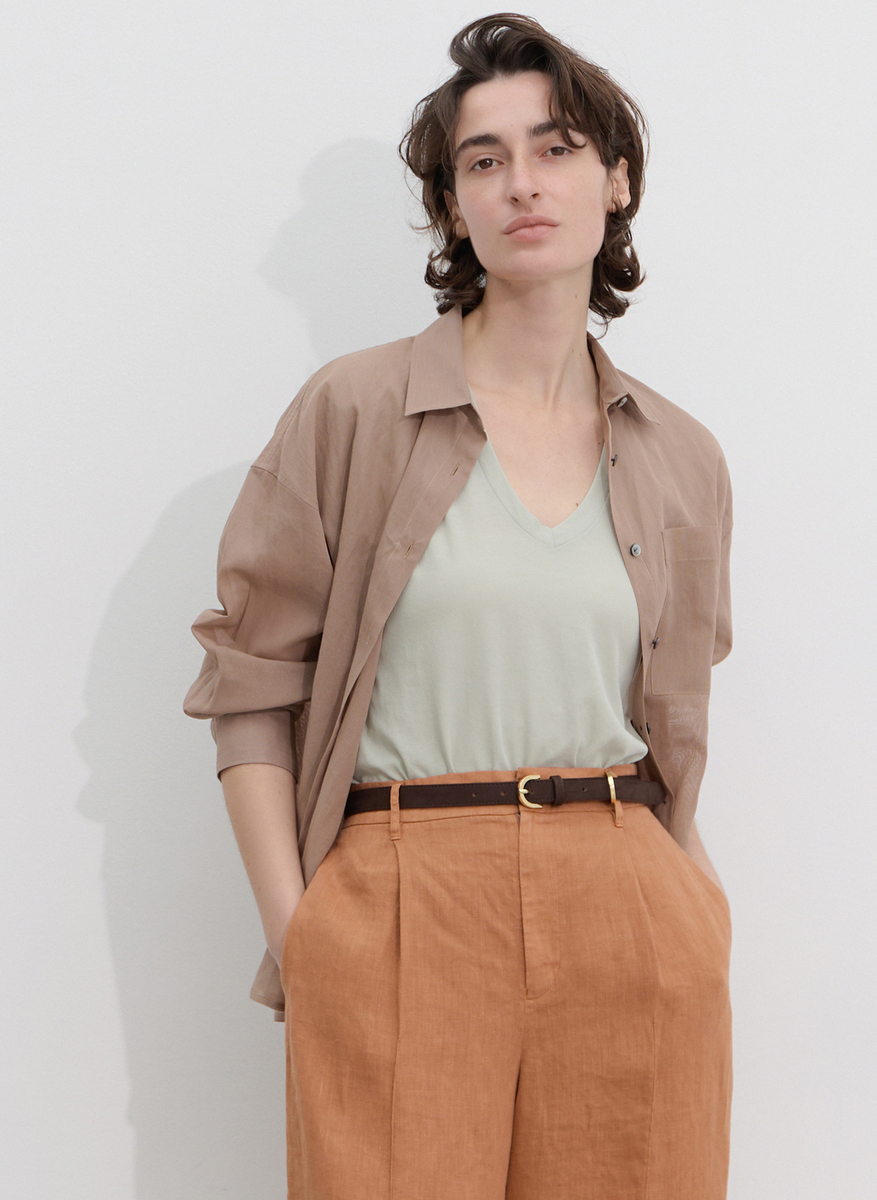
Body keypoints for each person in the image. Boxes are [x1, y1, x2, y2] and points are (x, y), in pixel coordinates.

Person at [185, 13, 734, 1200]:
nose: (522, 182)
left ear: (616, 179)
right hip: (403, 896)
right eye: (485, 160)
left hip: (628, 897)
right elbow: (251, 685)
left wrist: (692, 900)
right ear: (452, 206)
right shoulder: (354, 412)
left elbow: (676, 718)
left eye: (557, 147)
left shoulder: (681, 456)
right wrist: (303, 937)